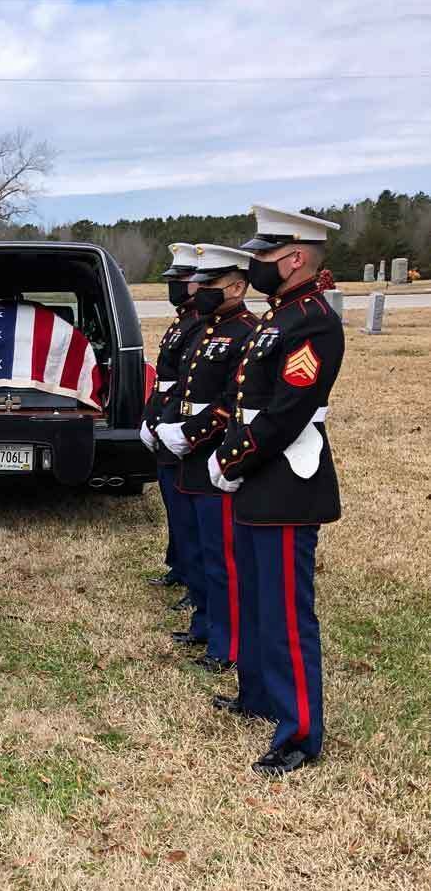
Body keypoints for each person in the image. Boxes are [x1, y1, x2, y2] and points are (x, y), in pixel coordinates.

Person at [209, 205, 344, 775]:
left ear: (293, 259)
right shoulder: (279, 315)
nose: (255, 265)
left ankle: (300, 732)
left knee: (288, 611)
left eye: (262, 256)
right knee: (258, 597)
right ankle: (260, 695)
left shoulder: (310, 319)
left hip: (286, 477)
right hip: (261, 475)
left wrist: (233, 456)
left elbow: (290, 409)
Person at [156, 245, 256, 674]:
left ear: (236, 286)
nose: (200, 290)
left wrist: (192, 434)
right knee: (198, 548)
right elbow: (181, 384)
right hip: (188, 455)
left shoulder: (246, 330)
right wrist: (163, 422)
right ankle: (205, 625)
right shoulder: (205, 329)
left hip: (214, 452)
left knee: (222, 557)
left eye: (211, 284)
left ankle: (226, 643)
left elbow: (230, 401)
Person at [144, 243, 208, 643]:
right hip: (170, 416)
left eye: (179, 281)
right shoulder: (184, 321)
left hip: (186, 423)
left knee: (188, 510)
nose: (174, 288)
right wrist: (154, 416)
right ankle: (181, 566)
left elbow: (190, 384)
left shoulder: (201, 324)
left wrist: (172, 423)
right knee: (174, 502)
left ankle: (192, 577)